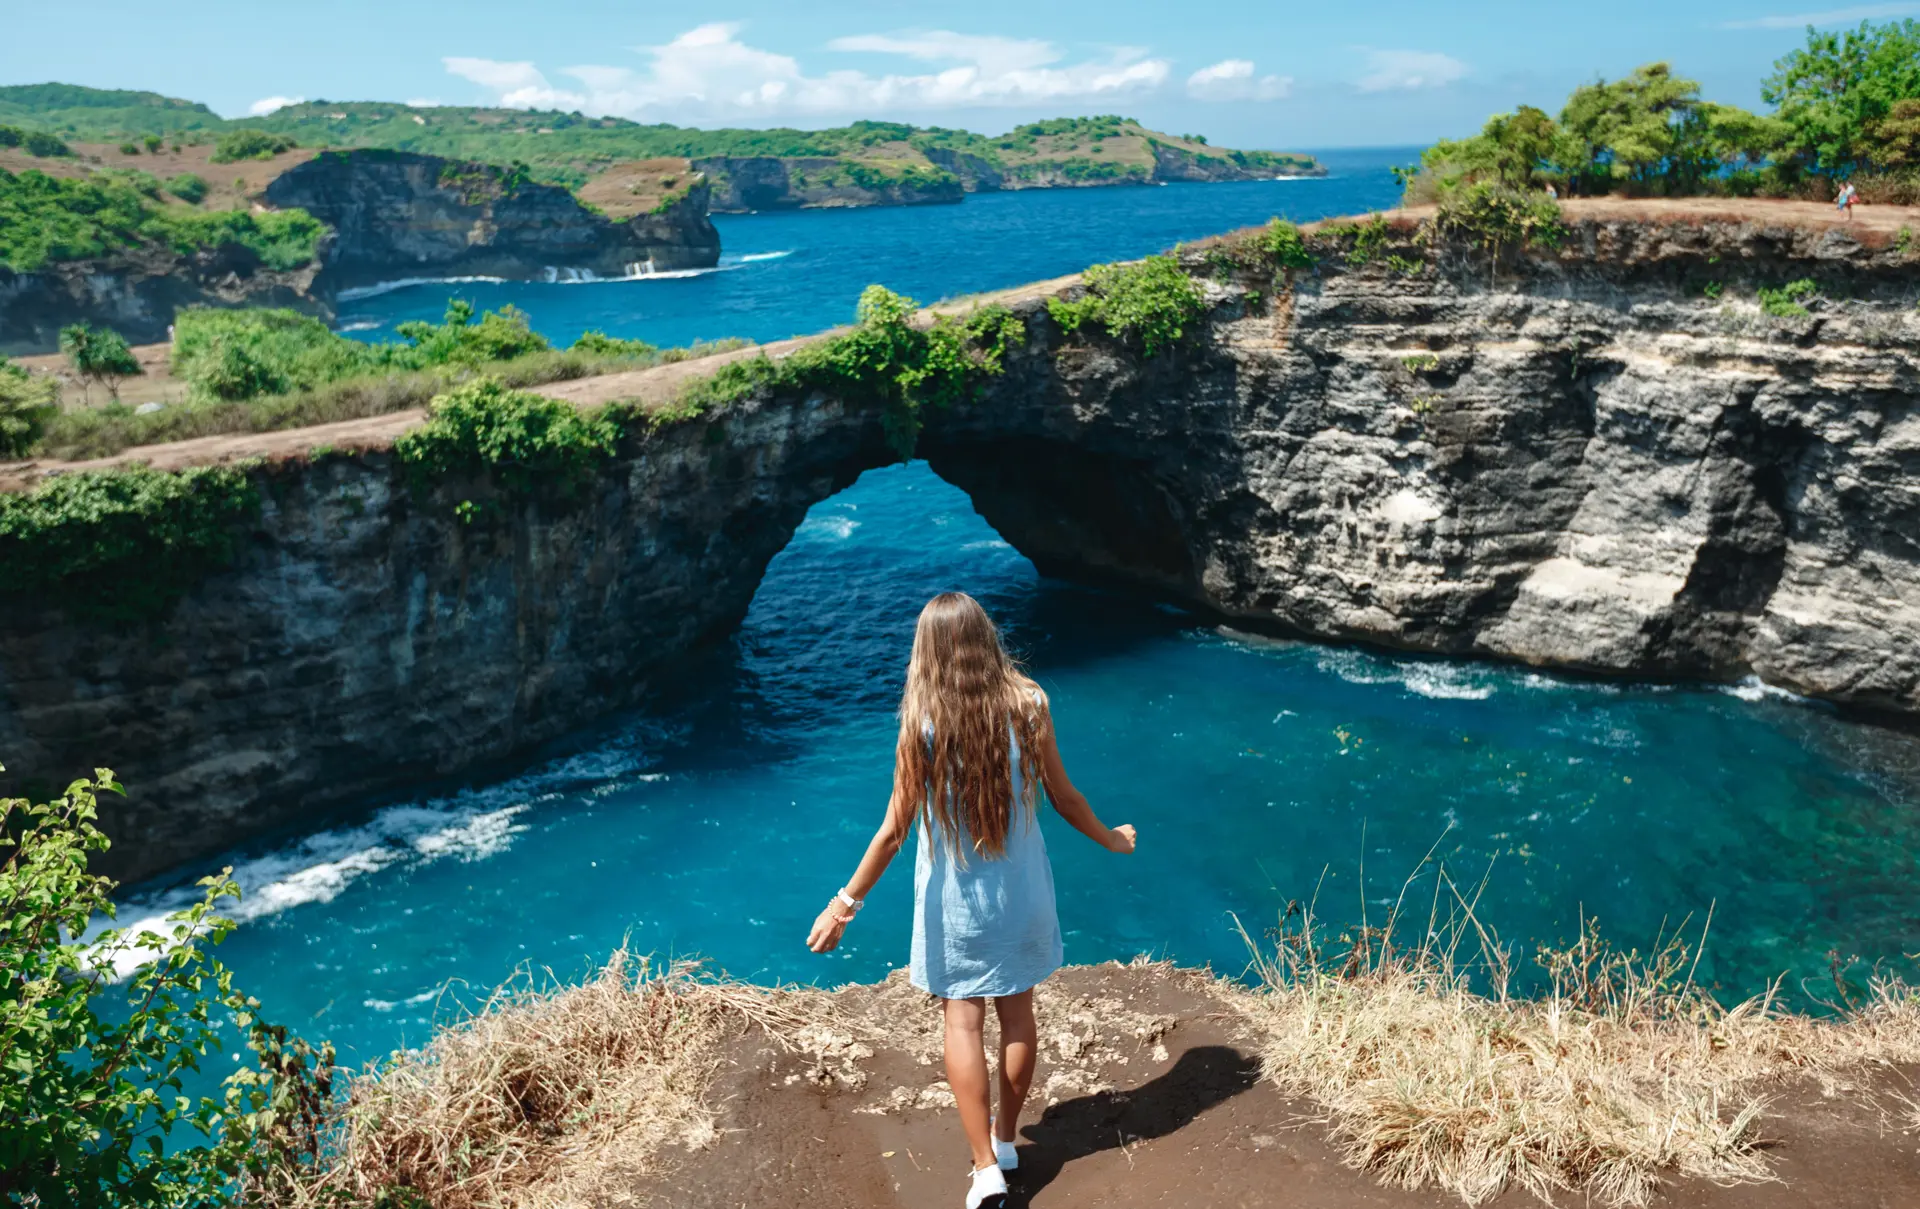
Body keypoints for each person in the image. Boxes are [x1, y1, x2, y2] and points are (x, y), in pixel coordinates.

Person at [806, 592, 1137, 1209]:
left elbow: (892, 831)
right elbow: (1065, 798)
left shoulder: (922, 724)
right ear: (987, 640)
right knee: (1019, 1016)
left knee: (963, 1019)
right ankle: (1007, 1142)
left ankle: (985, 1171)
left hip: (955, 907)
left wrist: (842, 906)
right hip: (1024, 897)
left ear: (926, 652)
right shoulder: (1029, 704)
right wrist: (1110, 839)